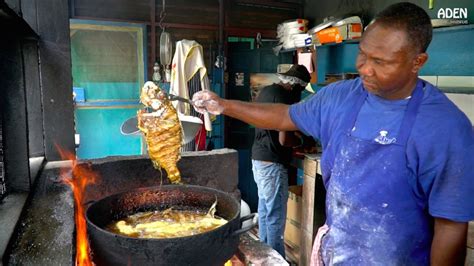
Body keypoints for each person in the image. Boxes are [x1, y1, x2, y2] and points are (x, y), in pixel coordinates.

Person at [193, 2, 474, 264]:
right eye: (362, 53)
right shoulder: (340, 97)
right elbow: (285, 116)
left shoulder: (446, 128)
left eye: (381, 61)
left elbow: (451, 227)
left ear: (417, 62)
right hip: (335, 254)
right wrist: (224, 105)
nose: (364, 68)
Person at [250, 64, 310, 257]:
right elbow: (284, 139)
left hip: (258, 159)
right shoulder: (285, 100)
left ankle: (264, 257)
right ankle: (276, 259)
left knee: (266, 212)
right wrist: (300, 142)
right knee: (275, 217)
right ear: (296, 87)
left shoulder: (267, 92)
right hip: (273, 164)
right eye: (301, 90)